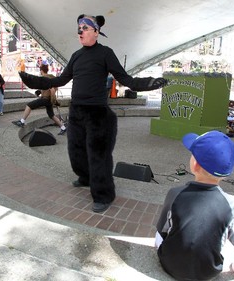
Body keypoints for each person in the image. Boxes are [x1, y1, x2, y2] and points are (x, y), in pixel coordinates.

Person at [18, 14, 167, 213]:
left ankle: (104, 195)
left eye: (85, 28)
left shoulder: (106, 53)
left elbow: (126, 79)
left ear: (96, 32)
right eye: (79, 27)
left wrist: (148, 83)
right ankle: (85, 177)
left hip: (97, 114)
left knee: (99, 156)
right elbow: (60, 80)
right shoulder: (76, 56)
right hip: (77, 111)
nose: (80, 31)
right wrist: (34, 81)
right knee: (75, 150)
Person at [155, 131, 234, 280]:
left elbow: (161, 232)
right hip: (208, 272)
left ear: (195, 164)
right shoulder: (233, 204)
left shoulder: (175, 193)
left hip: (170, 265)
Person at [12, 64, 66, 134]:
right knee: (51, 115)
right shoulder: (52, 77)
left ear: (41, 70)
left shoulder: (44, 78)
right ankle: (63, 127)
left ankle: (22, 121)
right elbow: (51, 88)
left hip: (45, 99)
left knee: (29, 105)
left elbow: (51, 89)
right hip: (48, 100)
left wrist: (53, 99)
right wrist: (40, 92)